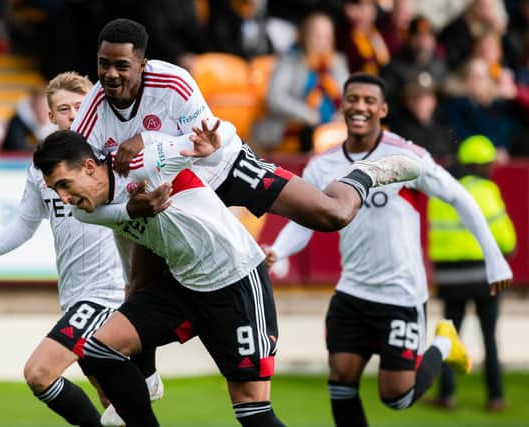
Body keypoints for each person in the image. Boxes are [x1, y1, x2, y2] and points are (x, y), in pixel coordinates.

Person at [32, 119, 419, 427]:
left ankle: (361, 175)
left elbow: (217, 133)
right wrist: (136, 217)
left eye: (65, 184)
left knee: (253, 410)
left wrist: (208, 146)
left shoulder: (147, 161)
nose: (64, 199)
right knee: (98, 349)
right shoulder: (85, 207)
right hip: (182, 285)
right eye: (55, 190)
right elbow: (128, 221)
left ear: (88, 166)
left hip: (234, 278)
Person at [262, 73, 513, 427]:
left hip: (402, 294)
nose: (359, 106)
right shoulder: (324, 165)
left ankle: (443, 344)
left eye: (368, 100)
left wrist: (494, 258)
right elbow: (306, 219)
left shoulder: (406, 156)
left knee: (397, 397)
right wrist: (279, 250)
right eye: (353, 99)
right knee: (341, 381)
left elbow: (459, 196)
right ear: (343, 105)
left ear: (382, 108)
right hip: (352, 291)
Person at [0, 71, 170, 427]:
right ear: (50, 117)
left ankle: (147, 377)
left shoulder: (109, 158)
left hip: (108, 293)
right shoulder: (42, 170)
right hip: (74, 295)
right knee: (121, 408)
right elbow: (24, 222)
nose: (71, 115)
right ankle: (145, 382)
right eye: (62, 109)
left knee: (40, 373)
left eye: (79, 107)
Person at [72, 18, 422, 236]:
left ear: (142, 63)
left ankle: (363, 174)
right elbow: (83, 205)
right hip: (167, 201)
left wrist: (145, 140)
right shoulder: (90, 115)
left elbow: (204, 146)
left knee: (331, 215)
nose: (110, 74)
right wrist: (128, 209)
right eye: (103, 64)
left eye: (121, 65)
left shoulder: (174, 82)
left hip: (222, 168)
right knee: (138, 298)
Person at [427, 135, 516, 412]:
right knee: (489, 337)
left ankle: (446, 393)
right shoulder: (486, 191)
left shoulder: (442, 192)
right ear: (480, 164)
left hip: (451, 279)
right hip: (483, 279)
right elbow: (506, 239)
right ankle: (495, 396)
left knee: (448, 337)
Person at [252, 12, 348, 152]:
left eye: (328, 37)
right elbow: (274, 98)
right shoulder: (290, 61)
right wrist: (307, 114)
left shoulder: (337, 62)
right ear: (306, 37)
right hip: (291, 129)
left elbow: (348, 94)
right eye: (317, 36)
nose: (323, 42)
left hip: (330, 131)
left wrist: (343, 113)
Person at [1, 83, 57, 152]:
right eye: (39, 106)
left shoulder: (59, 122)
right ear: (32, 106)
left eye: (46, 106)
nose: (42, 110)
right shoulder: (18, 121)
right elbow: (17, 148)